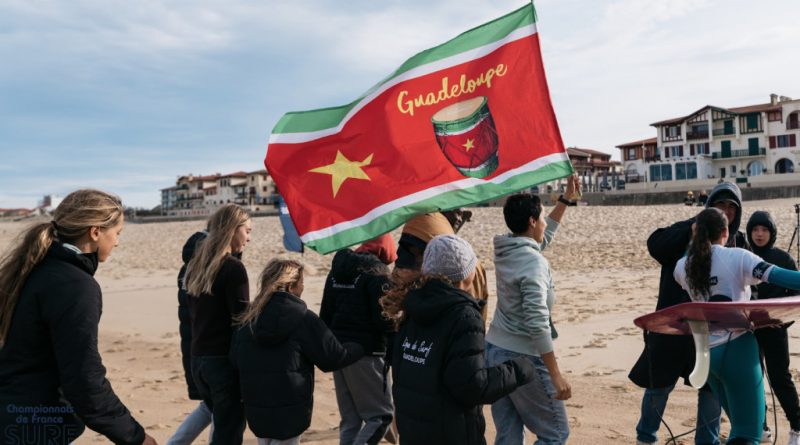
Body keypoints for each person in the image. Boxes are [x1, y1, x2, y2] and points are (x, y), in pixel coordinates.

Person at [0, 189, 157, 445]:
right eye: (117, 234)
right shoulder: (75, 285)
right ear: (95, 232)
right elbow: (84, 380)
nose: (117, 242)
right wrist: (135, 436)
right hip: (33, 425)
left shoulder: (30, 269)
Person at [381, 234, 536, 445]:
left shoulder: (410, 304)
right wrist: (519, 369)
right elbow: (471, 386)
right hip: (451, 434)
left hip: (414, 432)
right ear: (466, 274)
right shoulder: (463, 316)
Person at [630, 182, 750, 445]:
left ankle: (706, 441)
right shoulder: (687, 228)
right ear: (709, 207)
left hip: (713, 334)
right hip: (674, 326)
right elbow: (655, 245)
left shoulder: (739, 242)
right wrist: (694, 228)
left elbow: (755, 280)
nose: (726, 211)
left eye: (732, 207)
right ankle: (645, 437)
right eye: (720, 205)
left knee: (711, 390)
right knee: (659, 386)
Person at [674, 207, 800, 444]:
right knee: (748, 434)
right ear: (726, 231)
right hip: (738, 350)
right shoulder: (738, 257)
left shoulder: (682, 267)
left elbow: (697, 261)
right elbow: (787, 278)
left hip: (707, 355)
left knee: (739, 427)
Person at [485, 173, 580, 445]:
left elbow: (542, 238)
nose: (542, 224)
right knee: (555, 434)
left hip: (494, 352)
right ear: (531, 221)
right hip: (522, 357)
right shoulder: (533, 263)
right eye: (539, 218)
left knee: (509, 435)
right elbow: (537, 323)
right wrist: (555, 373)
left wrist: (565, 200)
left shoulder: (507, 249)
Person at [231, 259, 364, 444]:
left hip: (257, 407)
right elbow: (332, 358)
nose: (303, 286)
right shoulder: (303, 318)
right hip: (291, 409)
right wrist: (361, 346)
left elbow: (235, 359)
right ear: (291, 286)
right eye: (301, 282)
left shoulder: (248, 319)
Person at [184, 204, 252, 445]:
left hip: (198, 361)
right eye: (247, 230)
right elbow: (241, 319)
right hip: (222, 362)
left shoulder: (196, 266)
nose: (249, 238)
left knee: (222, 428)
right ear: (233, 229)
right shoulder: (232, 268)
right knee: (229, 433)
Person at [320, 234, 397, 445]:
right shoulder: (379, 274)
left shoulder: (336, 272)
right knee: (380, 417)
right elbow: (384, 321)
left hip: (339, 352)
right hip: (367, 354)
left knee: (351, 420)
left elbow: (325, 315)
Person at [747, 211, 800, 444]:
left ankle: (797, 428)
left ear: (772, 232)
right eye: (755, 230)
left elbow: (796, 296)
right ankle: (762, 427)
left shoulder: (783, 258)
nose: (759, 234)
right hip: (747, 330)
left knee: (780, 379)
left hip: (776, 330)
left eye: (764, 230)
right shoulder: (743, 257)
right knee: (753, 379)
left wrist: (781, 321)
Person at [394, 209, 490, 320]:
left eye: (461, 215)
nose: (459, 219)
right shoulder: (465, 263)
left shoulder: (414, 230)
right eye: (456, 212)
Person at [167, 230, 213, 445]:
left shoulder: (187, 272)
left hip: (193, 349)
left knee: (209, 407)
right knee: (217, 409)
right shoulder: (201, 274)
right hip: (205, 350)